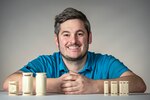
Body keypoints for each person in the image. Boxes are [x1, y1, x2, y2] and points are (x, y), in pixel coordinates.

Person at [3, 7, 146, 94]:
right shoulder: (45, 63)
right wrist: (55, 85)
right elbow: (8, 83)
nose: (73, 41)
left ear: (89, 38)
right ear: (57, 40)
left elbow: (138, 84)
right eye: (66, 35)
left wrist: (94, 86)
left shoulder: (105, 62)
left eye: (80, 34)